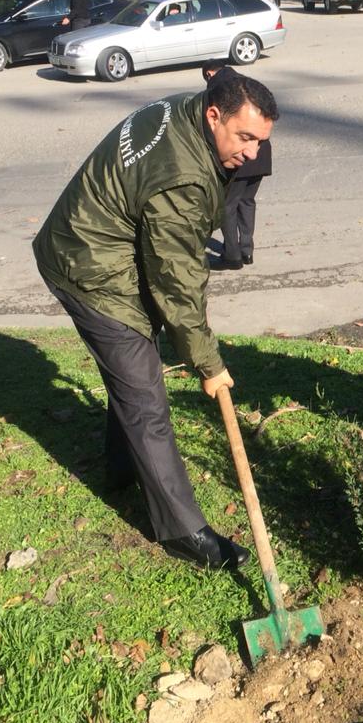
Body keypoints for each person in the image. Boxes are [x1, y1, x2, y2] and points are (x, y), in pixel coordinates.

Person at [32, 73, 279, 570]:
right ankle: (184, 532)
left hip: (91, 240)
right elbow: (177, 281)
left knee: (132, 375)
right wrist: (208, 364)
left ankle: (121, 470)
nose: (253, 153)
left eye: (261, 141)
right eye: (245, 137)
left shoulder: (186, 111)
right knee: (145, 398)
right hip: (91, 268)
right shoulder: (183, 176)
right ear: (214, 116)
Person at [204, 66, 272, 270]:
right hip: (261, 155)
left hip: (240, 157)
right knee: (247, 201)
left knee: (228, 205)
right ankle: (247, 249)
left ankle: (232, 256)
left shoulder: (222, 90)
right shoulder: (249, 87)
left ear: (210, 73)